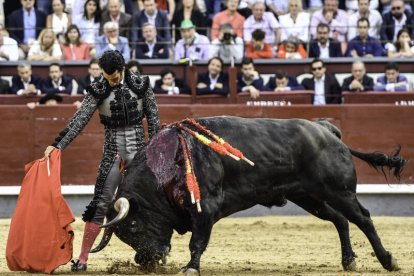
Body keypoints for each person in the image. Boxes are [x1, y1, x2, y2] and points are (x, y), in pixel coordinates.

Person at [43, 50, 160, 272]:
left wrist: (152, 154)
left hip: (140, 153)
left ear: (122, 69)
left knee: (151, 204)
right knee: (101, 201)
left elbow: (154, 119)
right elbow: (79, 120)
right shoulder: (98, 88)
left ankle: (152, 251)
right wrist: (58, 144)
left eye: (114, 77)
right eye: (107, 77)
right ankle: (83, 258)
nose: (111, 82)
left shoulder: (141, 83)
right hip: (112, 152)